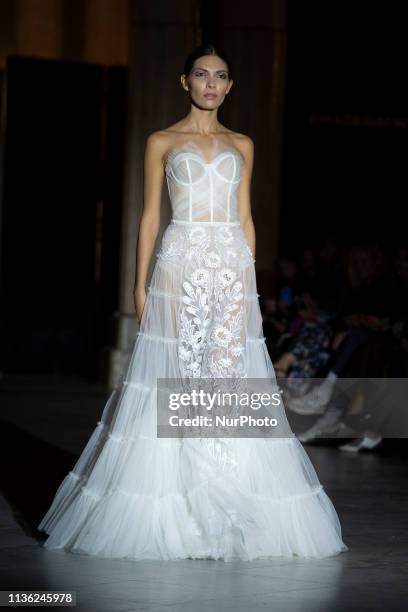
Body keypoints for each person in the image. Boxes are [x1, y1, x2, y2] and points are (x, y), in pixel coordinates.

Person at [37, 43, 348, 561]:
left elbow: (246, 219)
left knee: (225, 377)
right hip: (179, 263)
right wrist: (139, 284)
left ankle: (229, 495)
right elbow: (150, 217)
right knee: (178, 374)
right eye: (201, 74)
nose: (210, 83)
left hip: (230, 265)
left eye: (220, 76)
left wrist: (248, 285)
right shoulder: (162, 140)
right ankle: (178, 503)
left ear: (230, 86)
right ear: (185, 82)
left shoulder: (243, 144)